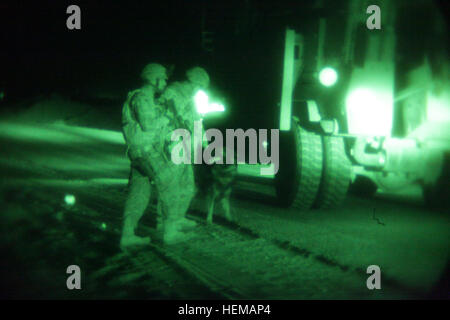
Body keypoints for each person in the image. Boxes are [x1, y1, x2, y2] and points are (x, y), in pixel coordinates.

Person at [121, 63, 195, 248]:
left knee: (139, 193)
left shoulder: (147, 99)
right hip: (146, 152)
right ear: (153, 79)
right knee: (170, 186)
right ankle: (169, 233)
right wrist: (167, 116)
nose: (165, 82)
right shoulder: (141, 98)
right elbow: (148, 125)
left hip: (140, 152)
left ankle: (127, 234)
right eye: (162, 78)